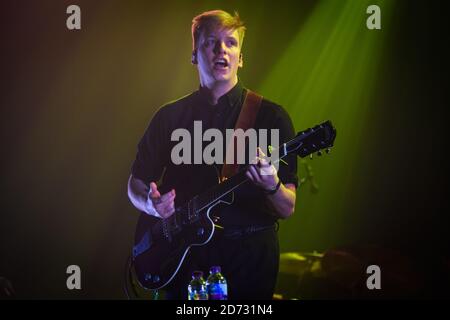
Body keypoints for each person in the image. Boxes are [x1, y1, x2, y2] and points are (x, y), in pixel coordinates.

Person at [128, 9, 298, 300]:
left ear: (241, 58)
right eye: (211, 42)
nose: (222, 50)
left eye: (231, 43)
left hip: (249, 262)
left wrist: (272, 184)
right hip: (184, 259)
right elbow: (135, 183)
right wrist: (151, 205)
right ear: (194, 54)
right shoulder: (169, 118)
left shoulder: (271, 117)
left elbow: (287, 207)